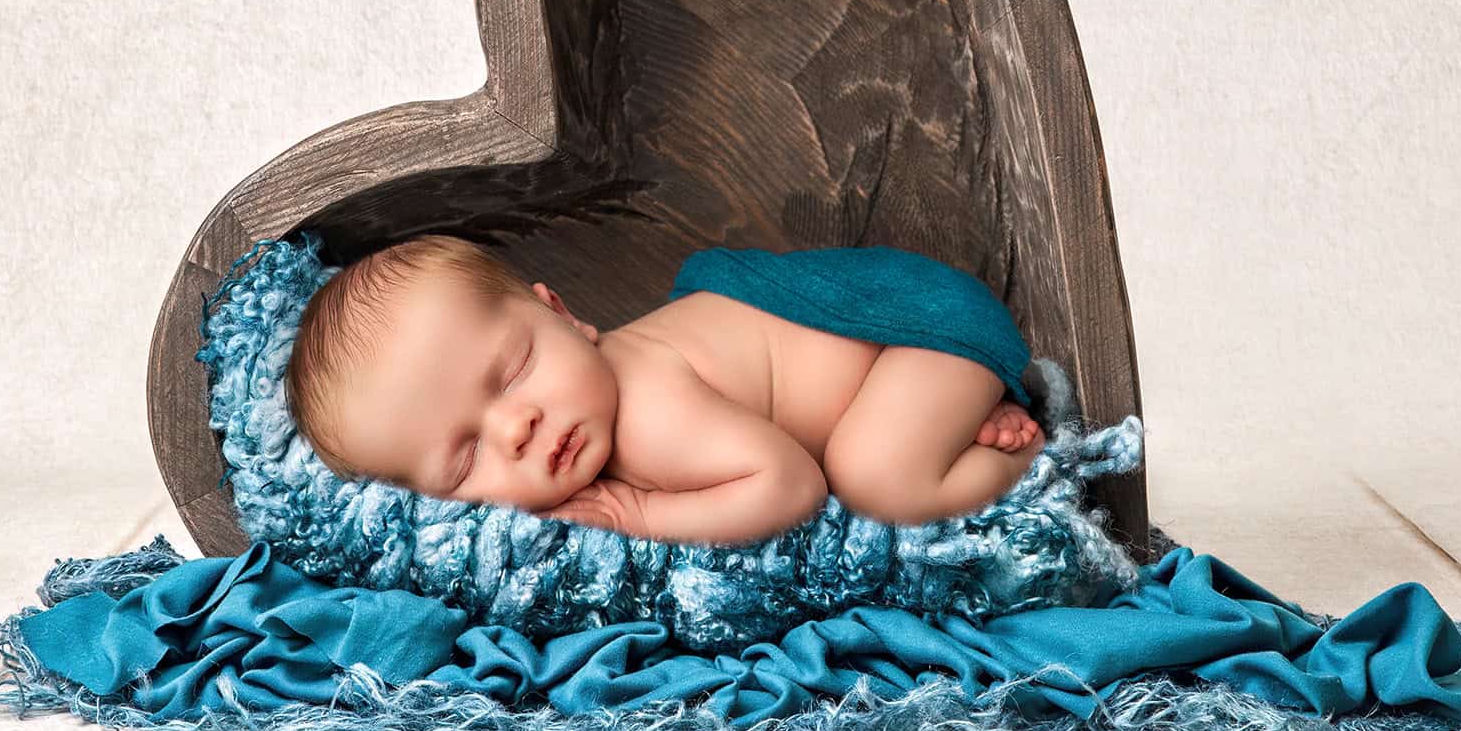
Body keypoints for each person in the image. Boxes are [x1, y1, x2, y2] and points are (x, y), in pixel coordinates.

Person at [283, 235, 1043, 546]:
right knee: (872, 444)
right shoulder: (597, 415)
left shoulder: (646, 408)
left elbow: (791, 483)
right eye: (464, 457)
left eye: (513, 371)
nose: (516, 427)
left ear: (562, 315)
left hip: (918, 327)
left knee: (873, 474)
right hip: (891, 359)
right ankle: (954, 412)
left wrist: (637, 510)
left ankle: (1024, 457)